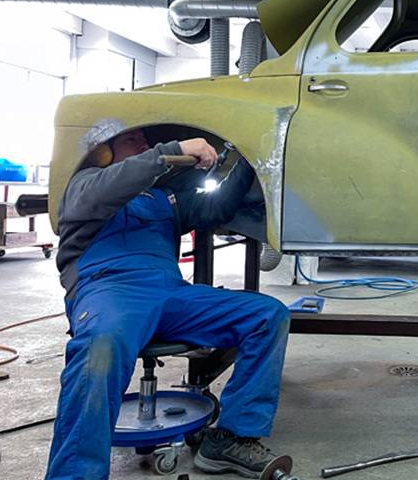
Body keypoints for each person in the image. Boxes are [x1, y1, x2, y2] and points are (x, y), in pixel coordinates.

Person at [46, 128, 290, 480]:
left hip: (170, 294)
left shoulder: (164, 196)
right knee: (100, 346)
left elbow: (215, 209)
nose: (143, 143)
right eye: (133, 140)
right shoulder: (85, 183)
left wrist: (249, 161)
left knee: (268, 315)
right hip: (108, 291)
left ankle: (230, 439)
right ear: (104, 151)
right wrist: (169, 151)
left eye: (146, 141)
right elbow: (112, 187)